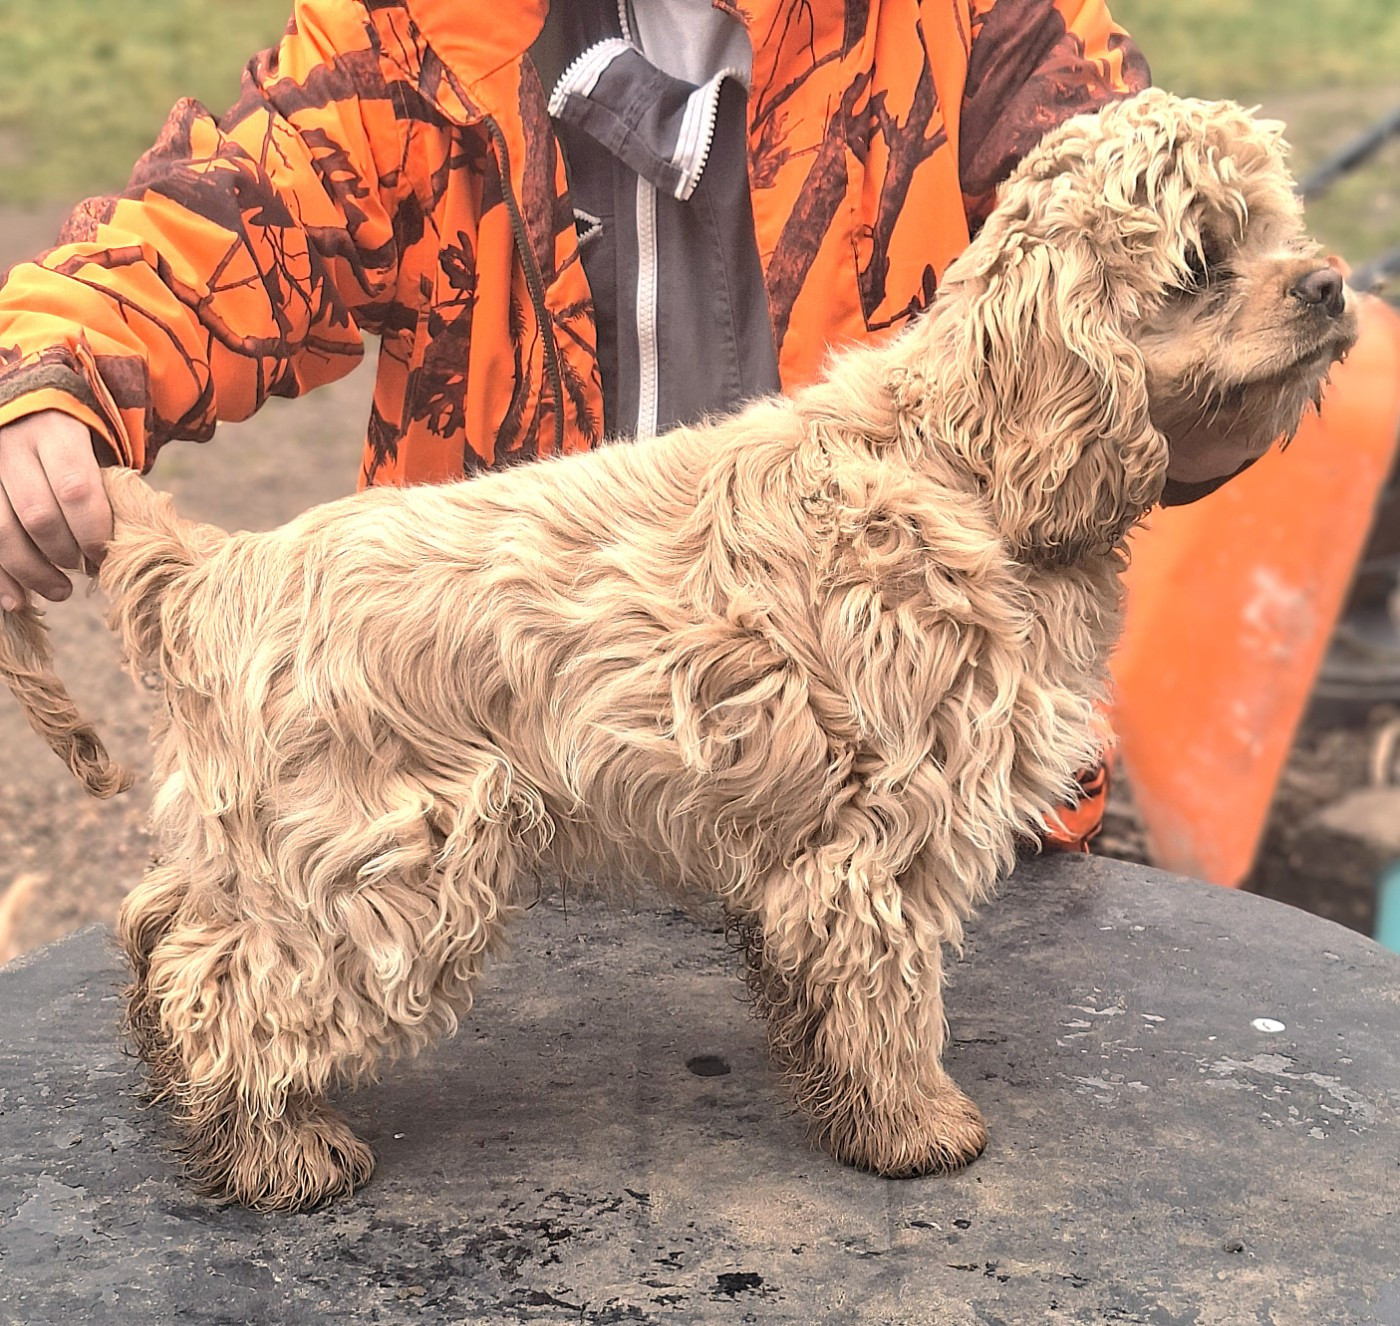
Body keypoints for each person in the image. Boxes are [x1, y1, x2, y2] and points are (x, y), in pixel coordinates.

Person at [0, 0, 1152, 847]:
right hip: (505, 790)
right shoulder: (415, 35)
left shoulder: (978, 23)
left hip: (922, 797)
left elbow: (1164, 247)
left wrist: (1212, 384)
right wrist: (35, 383)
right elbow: (220, 225)